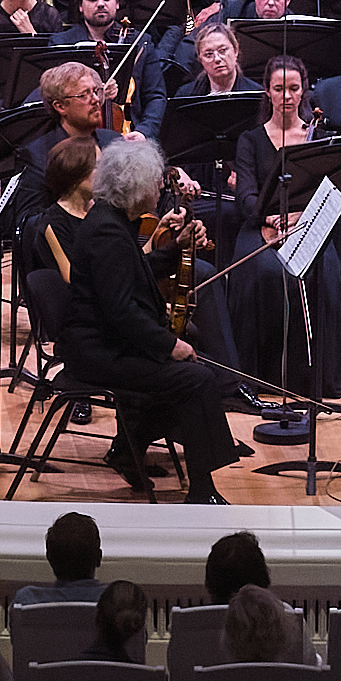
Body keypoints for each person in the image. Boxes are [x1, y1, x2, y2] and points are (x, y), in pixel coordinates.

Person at [48, 133, 241, 497]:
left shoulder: (113, 220)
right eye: (156, 183)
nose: (160, 190)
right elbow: (120, 311)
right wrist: (169, 345)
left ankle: (128, 448)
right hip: (97, 353)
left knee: (190, 371)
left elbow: (135, 273)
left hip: (104, 342)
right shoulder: (108, 231)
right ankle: (202, 489)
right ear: (137, 188)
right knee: (194, 379)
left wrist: (175, 250)